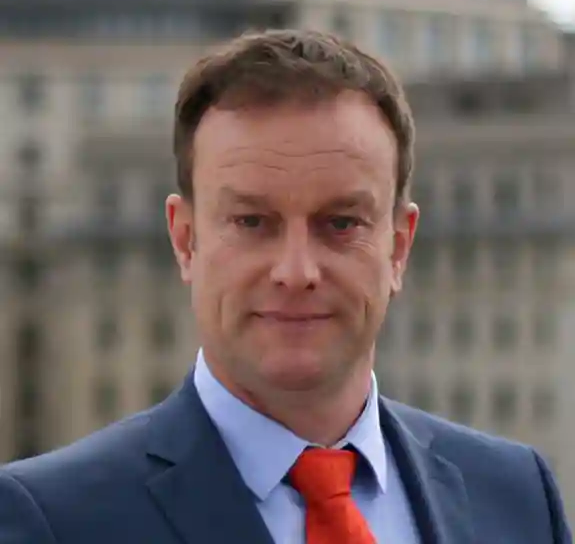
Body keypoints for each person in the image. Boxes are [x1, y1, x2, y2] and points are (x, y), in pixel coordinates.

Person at [0, 29, 571, 544]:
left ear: (399, 246)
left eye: (340, 223)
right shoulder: (54, 519)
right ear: (185, 240)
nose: (296, 272)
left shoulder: (516, 497)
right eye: (252, 222)